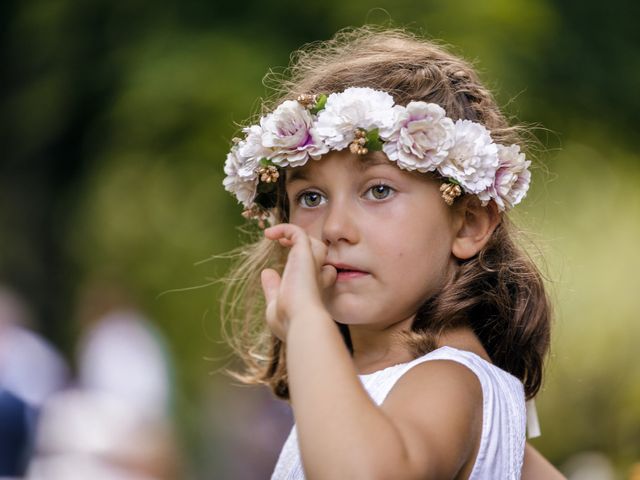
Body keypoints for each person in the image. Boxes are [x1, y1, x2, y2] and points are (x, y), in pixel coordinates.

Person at [220, 26, 565, 479]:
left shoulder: (448, 379)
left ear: (469, 223)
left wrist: (307, 322)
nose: (335, 228)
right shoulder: (375, 384)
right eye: (311, 198)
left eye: (378, 190)